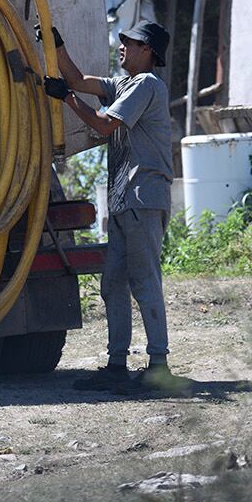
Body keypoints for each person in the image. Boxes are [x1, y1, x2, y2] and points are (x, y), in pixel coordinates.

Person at [40, 21, 185, 393]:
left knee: (143, 280)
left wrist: (67, 100)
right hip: (125, 199)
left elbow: (104, 125)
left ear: (148, 51)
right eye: (122, 41)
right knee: (112, 283)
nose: (122, 47)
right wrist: (57, 45)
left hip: (142, 198)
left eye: (130, 42)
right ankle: (117, 365)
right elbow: (77, 79)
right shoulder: (124, 85)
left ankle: (158, 365)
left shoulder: (147, 86)